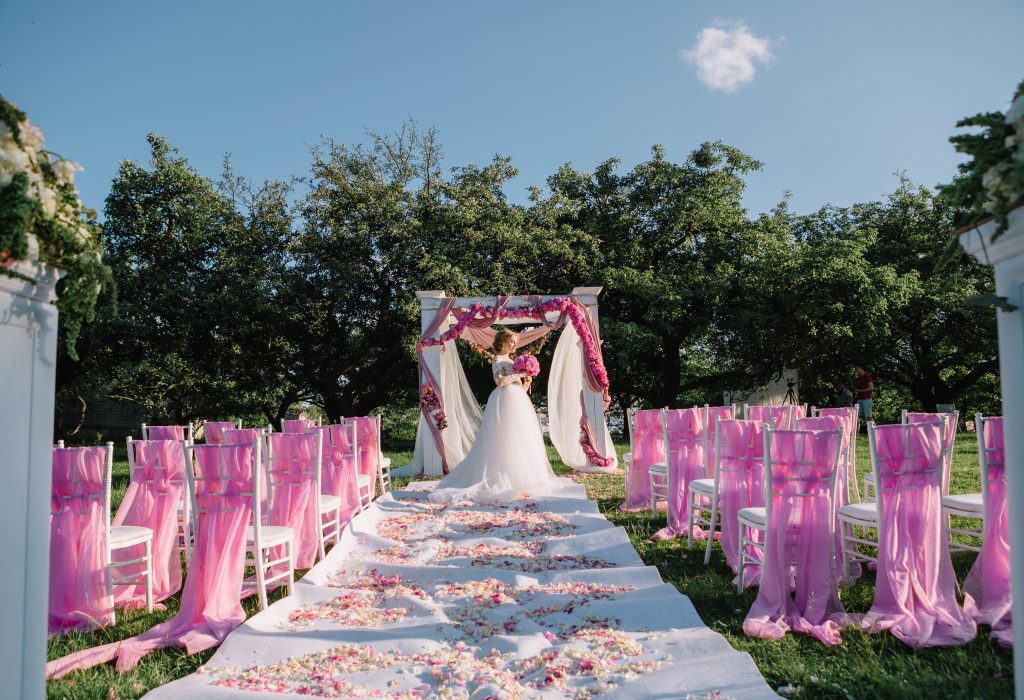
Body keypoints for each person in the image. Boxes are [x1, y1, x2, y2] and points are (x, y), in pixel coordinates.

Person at [429, 329, 568, 503]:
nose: (515, 345)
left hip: (518, 403)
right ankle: (500, 475)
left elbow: (519, 388)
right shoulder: (498, 360)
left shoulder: (512, 361)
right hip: (502, 401)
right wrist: (520, 374)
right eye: (512, 341)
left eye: (515, 342)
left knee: (519, 438)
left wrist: (526, 381)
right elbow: (500, 381)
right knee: (502, 437)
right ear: (501, 342)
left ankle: (519, 476)